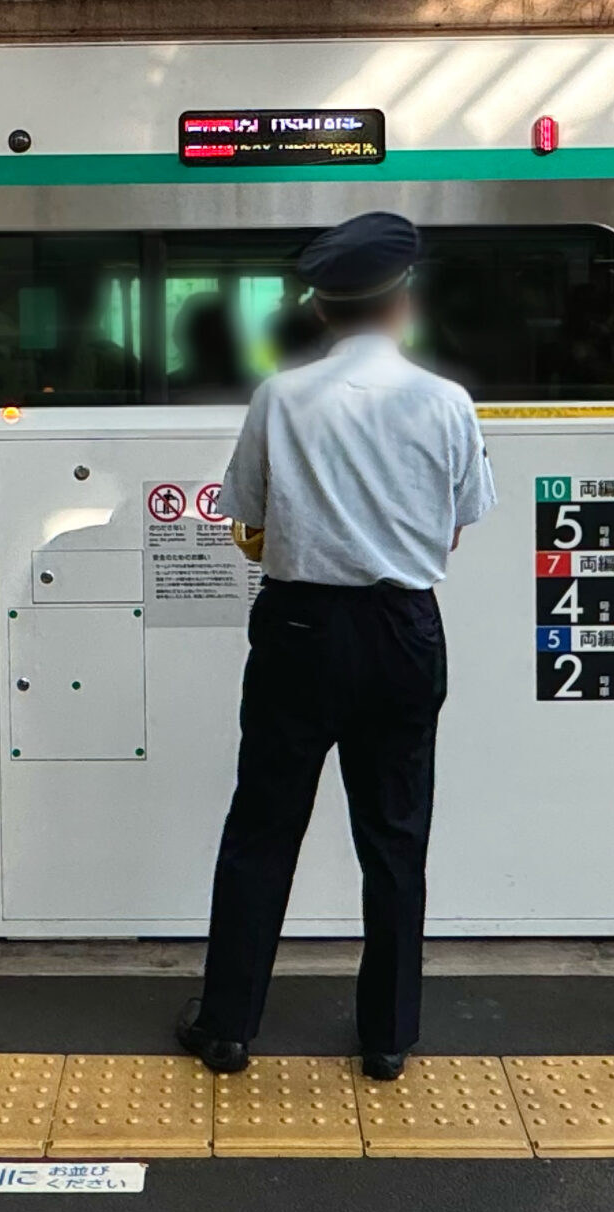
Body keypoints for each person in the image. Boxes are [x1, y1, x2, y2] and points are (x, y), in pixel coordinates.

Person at [177, 212, 495, 1082]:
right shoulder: (446, 402)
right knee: (395, 836)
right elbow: (457, 530)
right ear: (404, 305)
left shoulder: (280, 398)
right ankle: (388, 1038)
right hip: (402, 632)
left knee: (262, 828)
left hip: (300, 631)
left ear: (321, 310)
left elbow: (247, 513)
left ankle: (230, 1028)